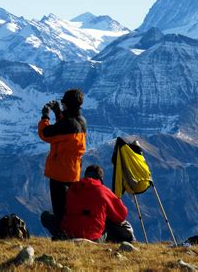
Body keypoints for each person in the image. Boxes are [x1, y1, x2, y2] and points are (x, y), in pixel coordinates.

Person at [41, 165, 135, 242]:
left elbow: (63, 211)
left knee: (46, 216)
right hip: (94, 237)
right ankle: (128, 242)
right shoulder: (104, 191)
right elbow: (121, 215)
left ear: (85, 176)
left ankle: (60, 236)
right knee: (119, 226)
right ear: (101, 179)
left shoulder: (72, 188)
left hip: (70, 234)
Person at [38, 89, 86, 223]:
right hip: (73, 172)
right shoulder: (81, 121)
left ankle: (62, 234)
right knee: (69, 208)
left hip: (59, 174)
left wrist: (45, 117)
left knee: (60, 210)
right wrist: (58, 112)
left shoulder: (68, 124)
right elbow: (64, 129)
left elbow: (45, 134)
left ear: (66, 104)